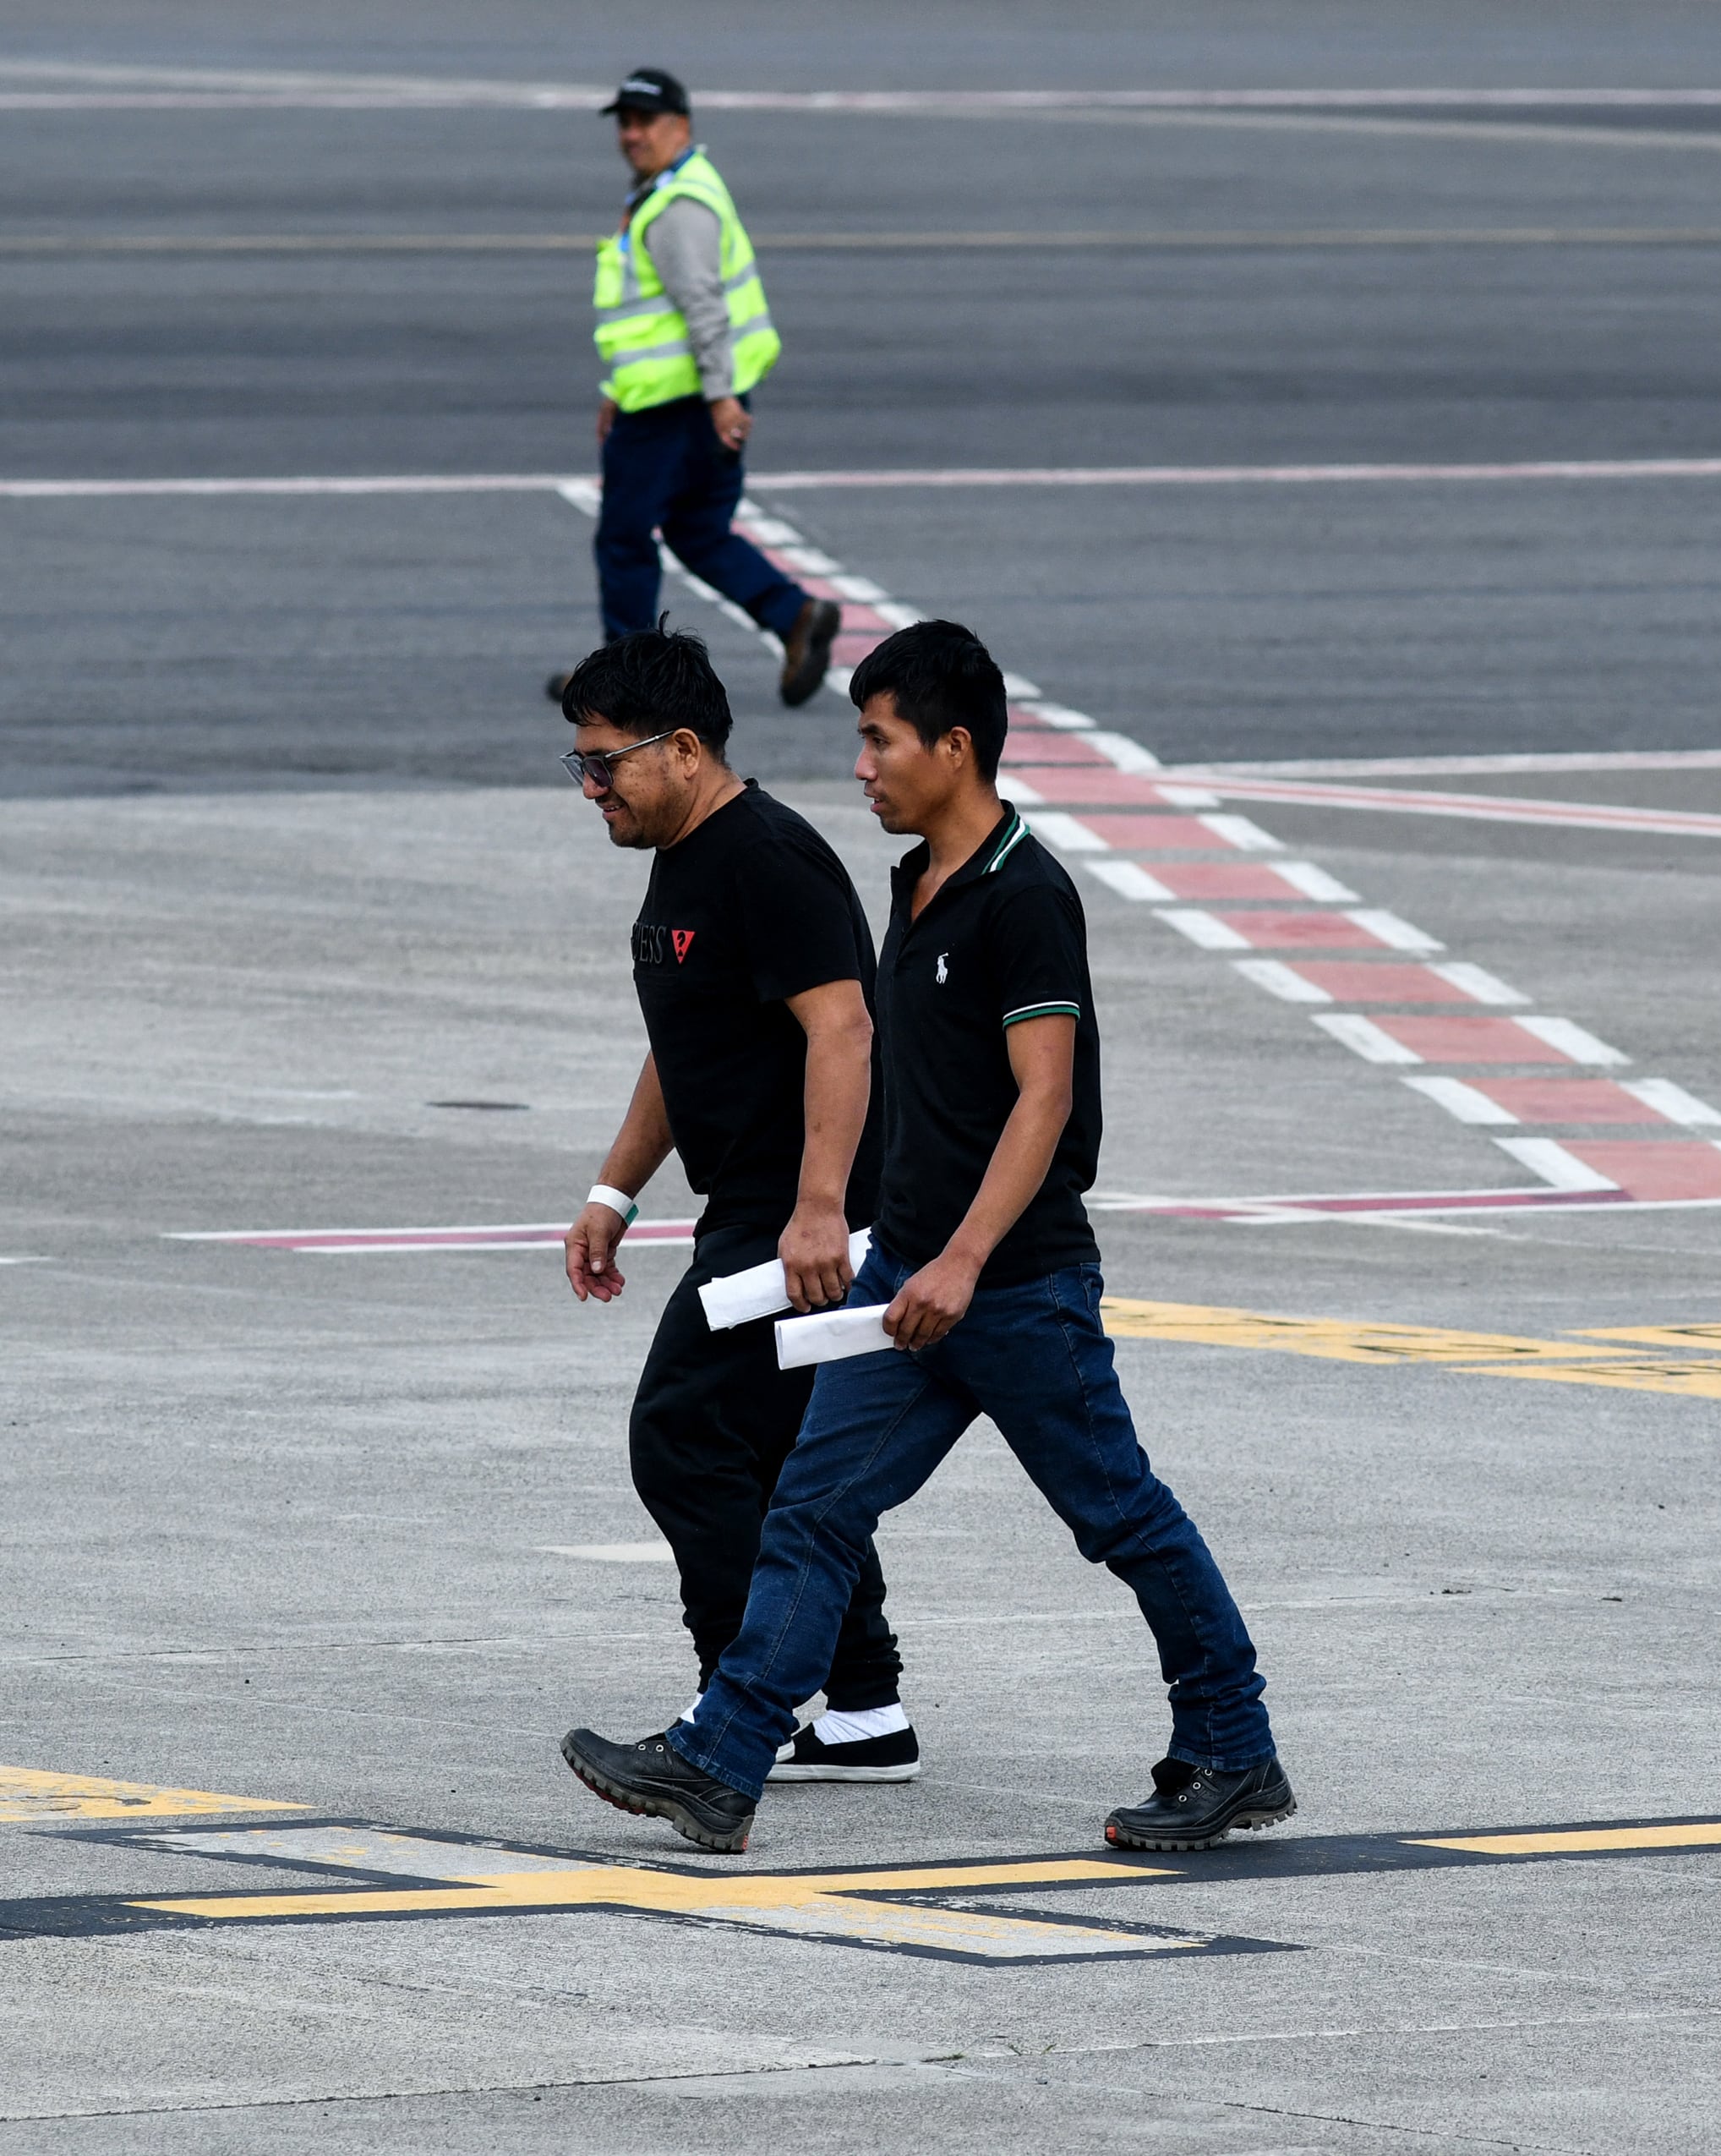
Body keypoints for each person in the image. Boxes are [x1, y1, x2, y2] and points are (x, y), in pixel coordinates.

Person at [560, 619, 1293, 1857]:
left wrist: (955, 1259)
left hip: (1013, 1289)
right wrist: (903, 1248)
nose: (861, 764)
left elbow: (1044, 1100)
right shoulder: (920, 885)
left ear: (954, 747)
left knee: (1121, 1516)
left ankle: (1235, 1746)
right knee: (813, 1506)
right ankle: (724, 1761)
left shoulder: (1026, 895)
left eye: (880, 737)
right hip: (914, 1275)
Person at [558, 626, 920, 1783]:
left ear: (684, 748)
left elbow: (844, 1026)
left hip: (789, 1212)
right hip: (751, 1203)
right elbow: (686, 1044)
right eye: (581, 760)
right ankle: (862, 1710)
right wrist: (615, 1188)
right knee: (775, 1455)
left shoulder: (767, 857)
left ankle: (734, 1707)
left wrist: (819, 1206)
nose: (589, 786)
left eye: (604, 761)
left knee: (682, 1434)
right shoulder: (684, 856)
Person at [554, 68, 837, 707]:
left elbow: (702, 307)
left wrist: (718, 399)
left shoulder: (677, 208)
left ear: (680, 127)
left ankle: (618, 686)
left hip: (676, 409)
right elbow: (650, 318)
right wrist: (618, 387)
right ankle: (792, 615)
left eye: (644, 122)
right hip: (688, 396)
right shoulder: (677, 189)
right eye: (623, 123)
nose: (631, 135)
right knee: (698, 530)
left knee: (625, 538)